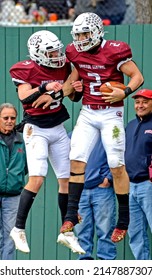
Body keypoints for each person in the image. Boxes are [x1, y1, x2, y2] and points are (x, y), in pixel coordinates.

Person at [56, 12, 144, 252]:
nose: (81, 38)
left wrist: (124, 92)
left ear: (96, 32)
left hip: (110, 113)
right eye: (78, 34)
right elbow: (73, 89)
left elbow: (138, 76)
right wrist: (68, 89)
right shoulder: (74, 52)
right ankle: (71, 215)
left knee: (116, 165)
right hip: (88, 111)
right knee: (76, 159)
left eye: (85, 33)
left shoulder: (115, 50)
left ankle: (123, 220)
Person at [9, 30, 84, 254]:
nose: (57, 55)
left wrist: (76, 91)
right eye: (51, 52)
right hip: (36, 129)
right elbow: (24, 97)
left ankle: (67, 231)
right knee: (38, 178)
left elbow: (71, 95)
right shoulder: (25, 68)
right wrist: (43, 87)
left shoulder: (63, 66)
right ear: (38, 53)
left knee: (66, 180)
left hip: (57, 127)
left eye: (57, 50)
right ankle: (18, 228)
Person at [75, 134, 116, 260]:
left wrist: (108, 178)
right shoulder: (73, 137)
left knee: (106, 231)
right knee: (82, 233)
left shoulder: (107, 134)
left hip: (102, 190)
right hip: (79, 191)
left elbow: (119, 156)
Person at [125, 89, 152, 260]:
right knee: (136, 233)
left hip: (148, 185)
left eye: (145, 101)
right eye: (137, 102)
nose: (140, 105)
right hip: (131, 186)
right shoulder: (131, 125)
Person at [0, 103, 27, 260]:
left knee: (10, 237)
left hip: (13, 196)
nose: (9, 121)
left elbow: (26, 166)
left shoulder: (21, 140)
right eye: (5, 118)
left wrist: (15, 178)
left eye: (12, 118)